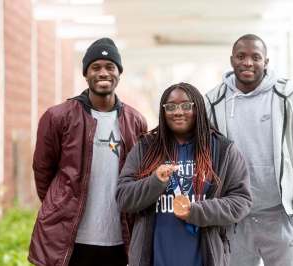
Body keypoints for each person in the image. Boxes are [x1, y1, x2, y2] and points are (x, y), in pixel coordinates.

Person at [28, 37, 147, 266]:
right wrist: (60, 203)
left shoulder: (135, 121)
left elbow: (140, 175)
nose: (103, 73)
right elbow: (42, 171)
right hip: (70, 239)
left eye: (110, 67)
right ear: (86, 74)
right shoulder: (58, 117)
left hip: (119, 237)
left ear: (119, 73)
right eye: (96, 67)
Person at [205, 34, 293, 266]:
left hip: (281, 218)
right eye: (241, 56)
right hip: (234, 220)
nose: (248, 62)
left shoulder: (288, 96)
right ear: (232, 60)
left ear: (266, 62)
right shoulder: (213, 102)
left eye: (256, 57)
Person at [116, 82, 252, 266]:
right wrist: (154, 182)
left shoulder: (222, 150)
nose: (178, 112)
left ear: (198, 108)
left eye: (186, 106)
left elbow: (241, 201)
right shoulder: (146, 148)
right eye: (170, 107)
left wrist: (197, 211)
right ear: (163, 112)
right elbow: (123, 197)